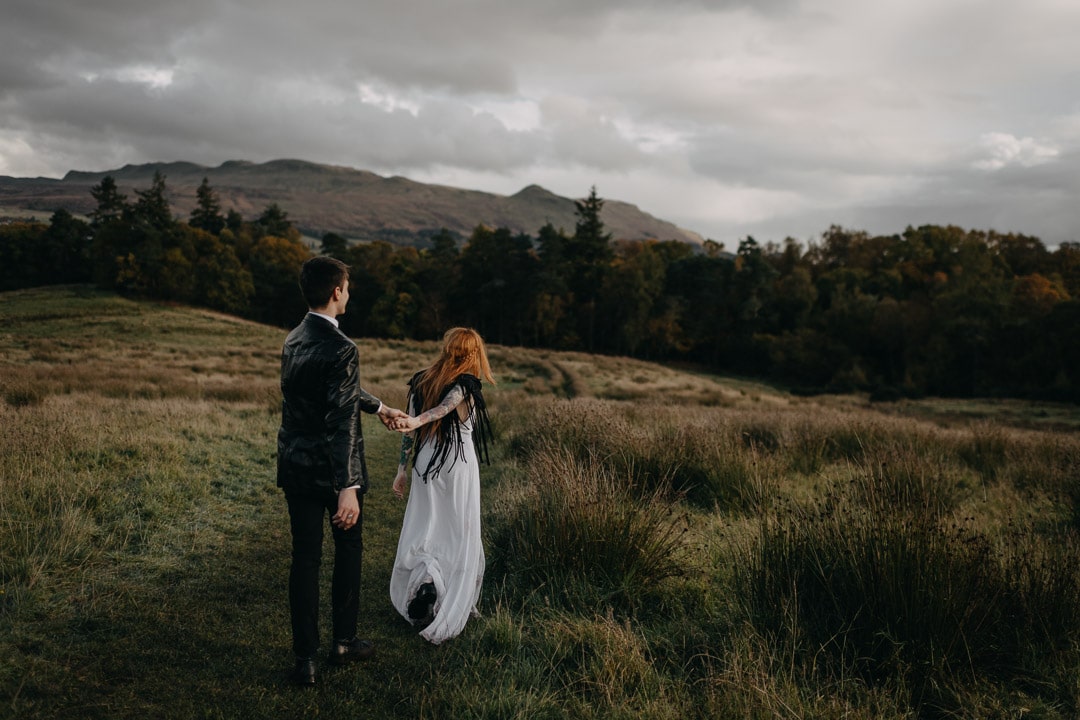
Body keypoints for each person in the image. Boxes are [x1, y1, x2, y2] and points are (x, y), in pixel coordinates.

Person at [277, 255, 405, 687]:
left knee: (305, 559)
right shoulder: (343, 347)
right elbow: (339, 420)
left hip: (295, 463)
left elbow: (334, 388)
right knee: (348, 550)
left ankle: (305, 660)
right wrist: (348, 486)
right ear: (336, 292)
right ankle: (344, 641)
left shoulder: (294, 338)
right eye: (347, 287)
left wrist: (380, 405)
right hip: (333, 469)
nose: (348, 293)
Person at [388, 327, 495, 644]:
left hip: (425, 464)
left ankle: (428, 584)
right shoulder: (466, 384)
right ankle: (448, 597)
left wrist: (401, 470)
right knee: (458, 533)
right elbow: (445, 407)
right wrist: (419, 421)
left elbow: (414, 429)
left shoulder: (421, 379)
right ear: (474, 354)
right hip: (456, 466)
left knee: (427, 529)